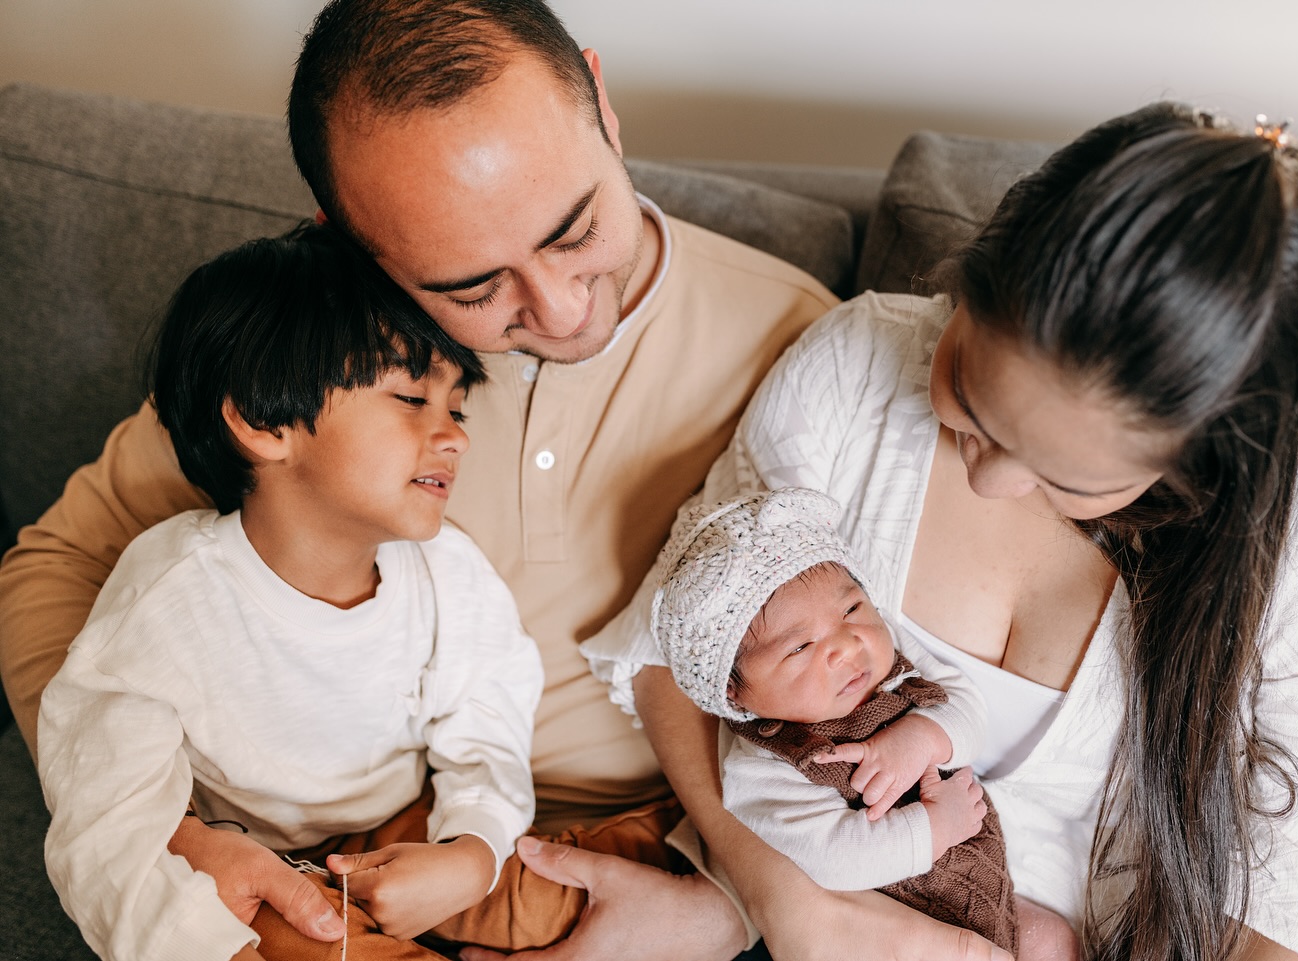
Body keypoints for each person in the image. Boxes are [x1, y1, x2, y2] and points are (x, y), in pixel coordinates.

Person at [0, 1, 971, 960]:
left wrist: (724, 901)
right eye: (472, 287)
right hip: (330, 855)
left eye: (575, 227)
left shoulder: (805, 353)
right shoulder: (325, 356)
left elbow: (879, 672)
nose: (555, 308)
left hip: (629, 852)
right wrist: (163, 825)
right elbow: (58, 563)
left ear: (599, 99)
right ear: (344, 234)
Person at [584, 103, 1298, 960]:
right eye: (970, 399)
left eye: (1068, 479)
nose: (990, 479)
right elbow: (669, 644)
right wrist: (791, 907)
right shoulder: (857, 370)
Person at [38, 222, 679, 961]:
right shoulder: (168, 597)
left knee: (555, 901)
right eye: (411, 397)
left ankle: (698, 844)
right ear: (264, 421)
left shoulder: (446, 571)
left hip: (411, 826)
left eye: (457, 406)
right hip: (257, 868)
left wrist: (470, 851)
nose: (456, 436)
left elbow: (487, 722)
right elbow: (107, 816)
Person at [648, 485, 1031, 956]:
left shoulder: (899, 667)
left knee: (1053, 941)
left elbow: (967, 706)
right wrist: (934, 827)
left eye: (851, 609)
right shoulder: (767, 768)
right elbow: (833, 856)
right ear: (735, 693)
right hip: (895, 923)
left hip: (994, 887)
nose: (848, 645)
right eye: (800, 647)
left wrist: (923, 736)